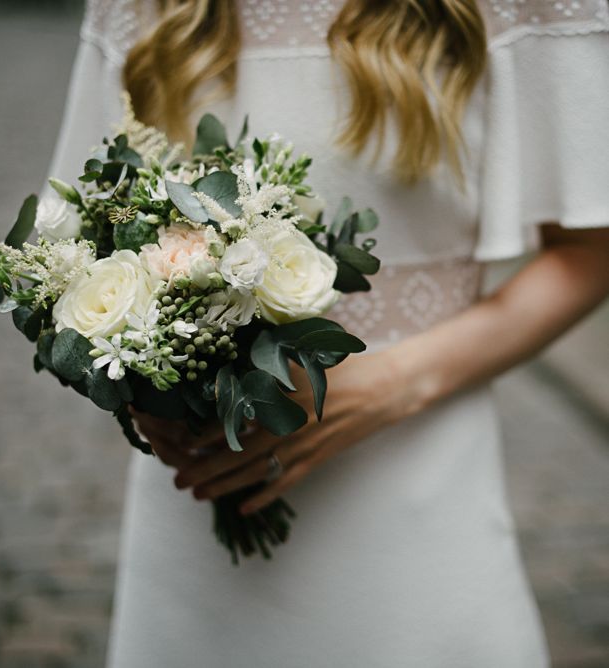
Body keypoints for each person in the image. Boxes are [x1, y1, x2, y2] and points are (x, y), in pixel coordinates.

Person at [45, 1, 609, 666]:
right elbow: (70, 248)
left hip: (417, 494)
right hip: (201, 499)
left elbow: (590, 249)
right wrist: (146, 387)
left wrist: (388, 385)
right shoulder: (141, 11)